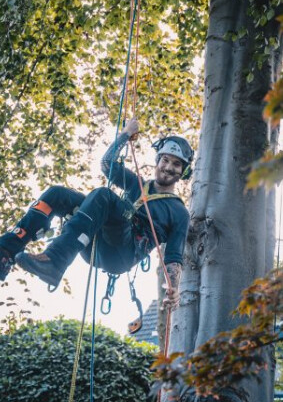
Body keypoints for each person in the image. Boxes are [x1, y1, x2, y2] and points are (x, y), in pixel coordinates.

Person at [0, 118, 193, 309]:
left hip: (122, 253)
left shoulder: (179, 212)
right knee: (58, 194)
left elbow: (174, 258)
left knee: (103, 196)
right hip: (94, 241)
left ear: (183, 172)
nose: (168, 167)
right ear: (158, 160)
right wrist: (125, 135)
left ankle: (56, 259)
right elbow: (107, 164)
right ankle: (6, 253)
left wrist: (173, 289)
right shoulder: (136, 183)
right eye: (165, 160)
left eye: (176, 164)